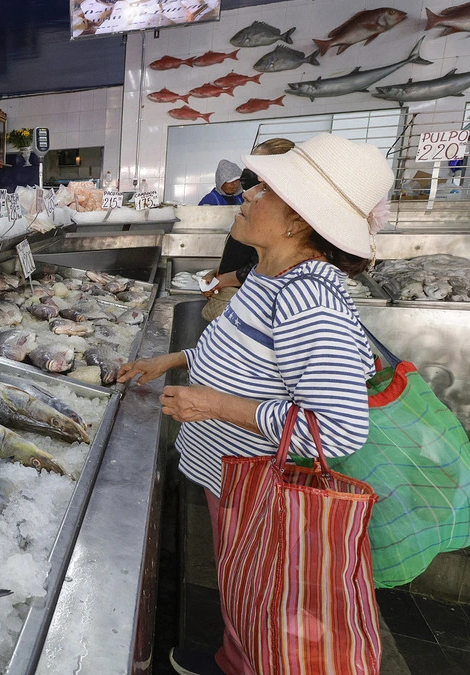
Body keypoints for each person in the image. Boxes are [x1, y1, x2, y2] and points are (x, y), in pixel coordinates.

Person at [118, 132, 386, 675]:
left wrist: (217, 406)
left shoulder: (309, 300)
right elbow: (244, 356)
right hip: (234, 478)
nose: (246, 194)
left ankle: (245, 664)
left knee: (266, 593)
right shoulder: (269, 274)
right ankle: (233, 657)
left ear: (297, 220)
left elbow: (339, 429)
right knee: (242, 581)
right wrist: (170, 362)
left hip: (262, 485)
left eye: (263, 189)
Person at [200, 138, 296, 321]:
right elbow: (248, 257)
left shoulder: (284, 233)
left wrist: (224, 279)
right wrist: (217, 272)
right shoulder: (254, 220)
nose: (246, 193)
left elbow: (268, 267)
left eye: (265, 186)